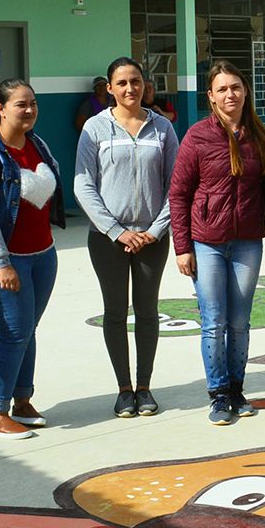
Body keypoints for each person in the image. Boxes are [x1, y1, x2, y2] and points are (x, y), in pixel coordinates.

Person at [170, 60, 265, 426]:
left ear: (245, 92)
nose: (230, 94)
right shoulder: (197, 137)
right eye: (222, 89)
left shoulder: (258, 136)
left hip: (247, 242)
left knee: (240, 322)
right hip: (207, 244)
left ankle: (236, 389)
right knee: (214, 321)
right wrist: (182, 246)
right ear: (211, 97)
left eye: (236, 87)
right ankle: (218, 395)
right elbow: (179, 193)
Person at [0, 79, 66, 439]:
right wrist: (2, 262)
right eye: (21, 104)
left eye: (33, 103)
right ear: (0, 108)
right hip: (5, 260)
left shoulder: (37, 143)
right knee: (14, 332)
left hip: (43, 255)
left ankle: (23, 401)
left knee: (27, 330)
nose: (30, 110)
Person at [75, 57, 178, 418]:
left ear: (145, 85)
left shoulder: (162, 128)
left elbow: (174, 185)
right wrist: (117, 231)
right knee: (115, 313)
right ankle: (123, 390)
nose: (130, 89)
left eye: (136, 81)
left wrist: (155, 229)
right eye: (122, 83)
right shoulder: (95, 128)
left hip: (152, 237)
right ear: (110, 89)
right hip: (107, 239)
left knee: (148, 312)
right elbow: (83, 184)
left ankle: (145, 388)